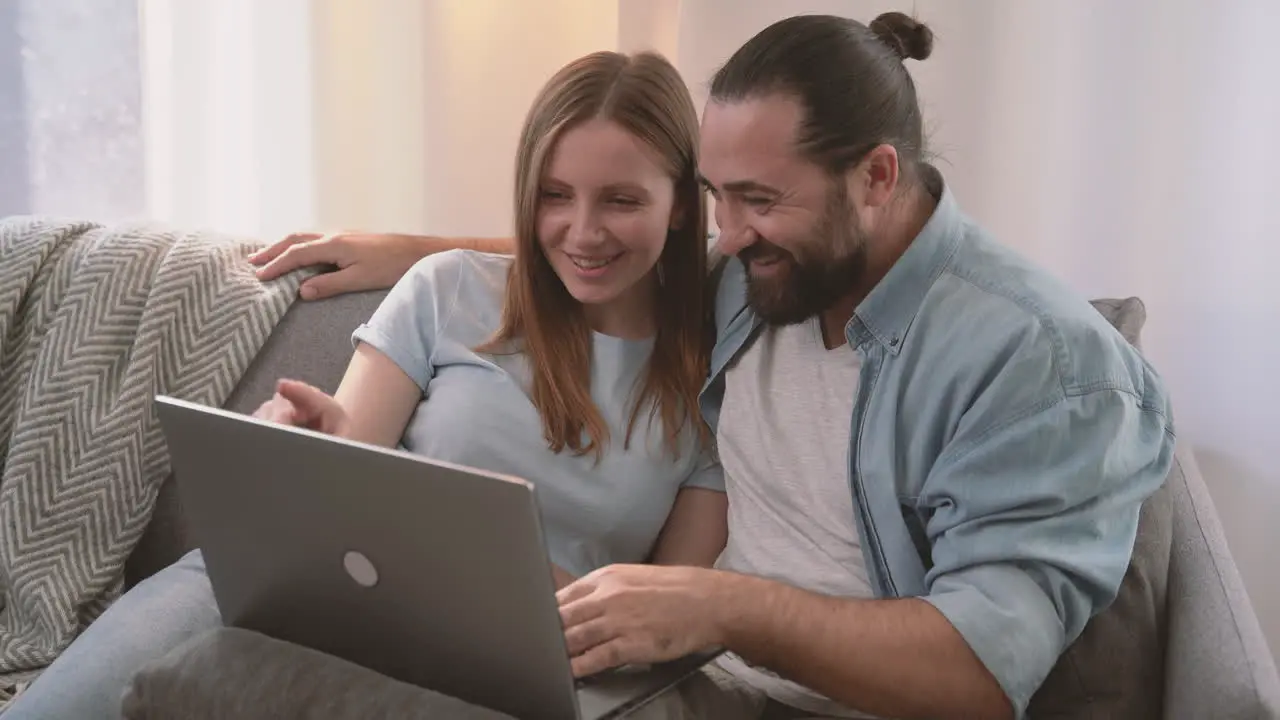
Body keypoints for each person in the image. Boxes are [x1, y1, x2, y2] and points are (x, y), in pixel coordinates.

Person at [255, 12, 1178, 720]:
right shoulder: (768, 271)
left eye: (758, 201)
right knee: (245, 671)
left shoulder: (1043, 366)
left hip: (806, 701)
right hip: (676, 686)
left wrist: (725, 609)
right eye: (715, 197)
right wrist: (407, 249)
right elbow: (606, 242)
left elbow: (982, 671)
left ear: (878, 177)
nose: (727, 236)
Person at [2, 50, 729, 720]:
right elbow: (340, 479)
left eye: (622, 201)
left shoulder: (712, 382)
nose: (582, 230)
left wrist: (514, 583)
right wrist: (305, 451)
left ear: (684, 207)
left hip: (501, 663)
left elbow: (665, 618)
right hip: (312, 594)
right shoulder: (449, 290)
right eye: (554, 195)